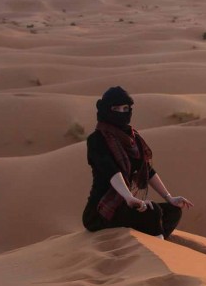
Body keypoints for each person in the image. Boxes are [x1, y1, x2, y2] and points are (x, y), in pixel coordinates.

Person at [82, 86, 193, 239]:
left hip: (126, 205)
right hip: (101, 212)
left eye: (125, 108)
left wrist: (169, 197)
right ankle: (156, 248)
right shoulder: (97, 139)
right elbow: (111, 171)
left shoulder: (133, 139)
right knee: (153, 212)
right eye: (116, 108)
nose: (121, 113)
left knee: (172, 211)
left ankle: (148, 241)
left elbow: (147, 171)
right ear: (106, 110)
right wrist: (128, 197)